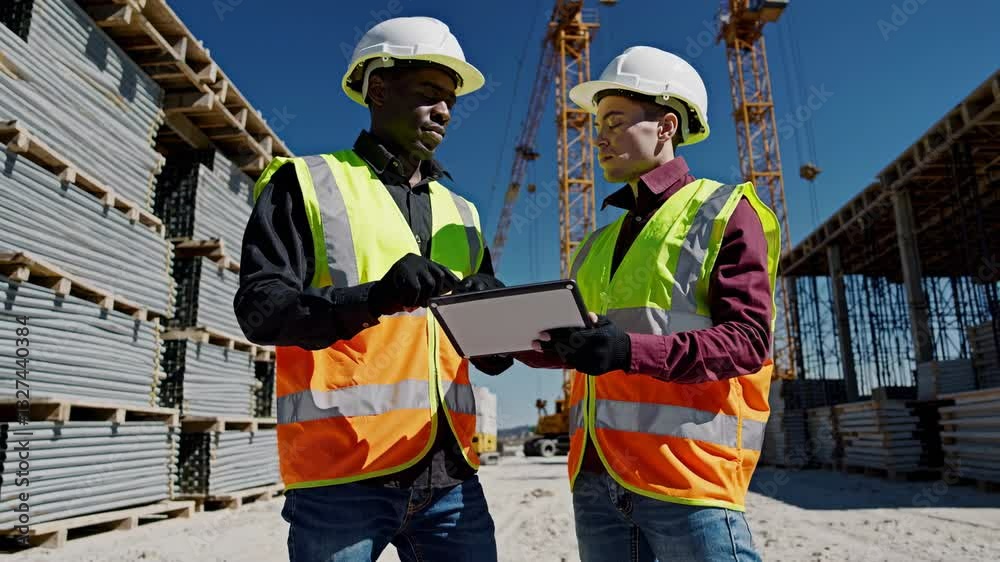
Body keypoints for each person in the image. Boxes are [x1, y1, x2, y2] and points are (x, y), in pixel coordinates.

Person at [233, 16, 512, 562]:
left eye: (451, 101)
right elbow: (261, 310)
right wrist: (373, 297)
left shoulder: (463, 214)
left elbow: (490, 357)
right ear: (379, 89)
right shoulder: (307, 184)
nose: (446, 112)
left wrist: (496, 312)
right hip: (341, 479)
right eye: (430, 94)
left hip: (449, 477)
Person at [517, 46, 781, 561]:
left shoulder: (724, 210)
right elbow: (583, 348)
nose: (599, 135)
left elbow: (749, 343)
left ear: (665, 125)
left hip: (688, 477)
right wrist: (505, 340)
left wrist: (627, 352)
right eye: (598, 123)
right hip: (595, 478)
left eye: (614, 120)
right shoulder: (596, 244)